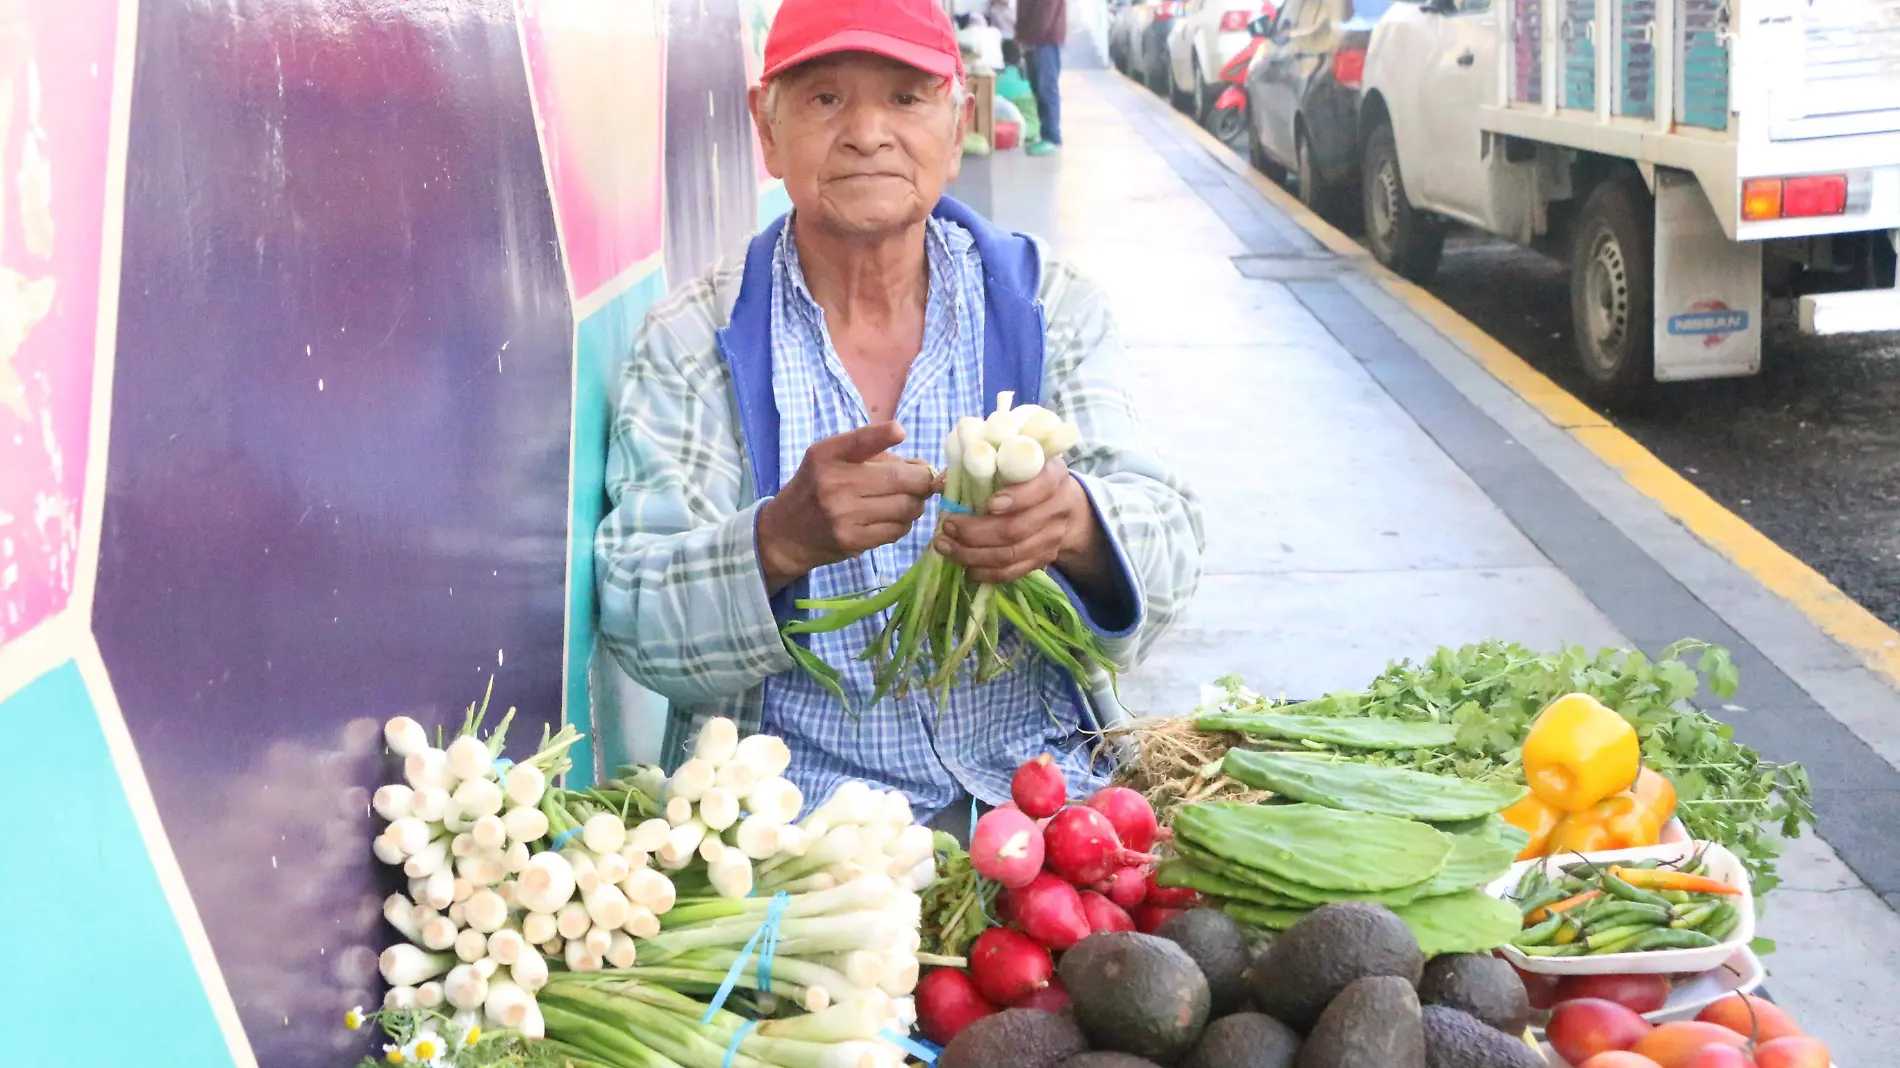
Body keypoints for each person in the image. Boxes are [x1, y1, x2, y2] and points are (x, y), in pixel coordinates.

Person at [594, 0, 1202, 835]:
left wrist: (1079, 528)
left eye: (907, 99)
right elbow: (637, 617)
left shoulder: (1048, 306)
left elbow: (1172, 536)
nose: (868, 133)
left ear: (959, 126)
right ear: (767, 132)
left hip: (1046, 800)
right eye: (825, 100)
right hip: (798, 831)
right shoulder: (693, 340)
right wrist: (776, 542)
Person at [1016, 0, 1066, 156]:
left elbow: (1046, 11)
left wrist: (1031, 37)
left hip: (1045, 39)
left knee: (1047, 88)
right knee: (1038, 87)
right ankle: (1045, 134)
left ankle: (1052, 138)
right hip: (1034, 38)